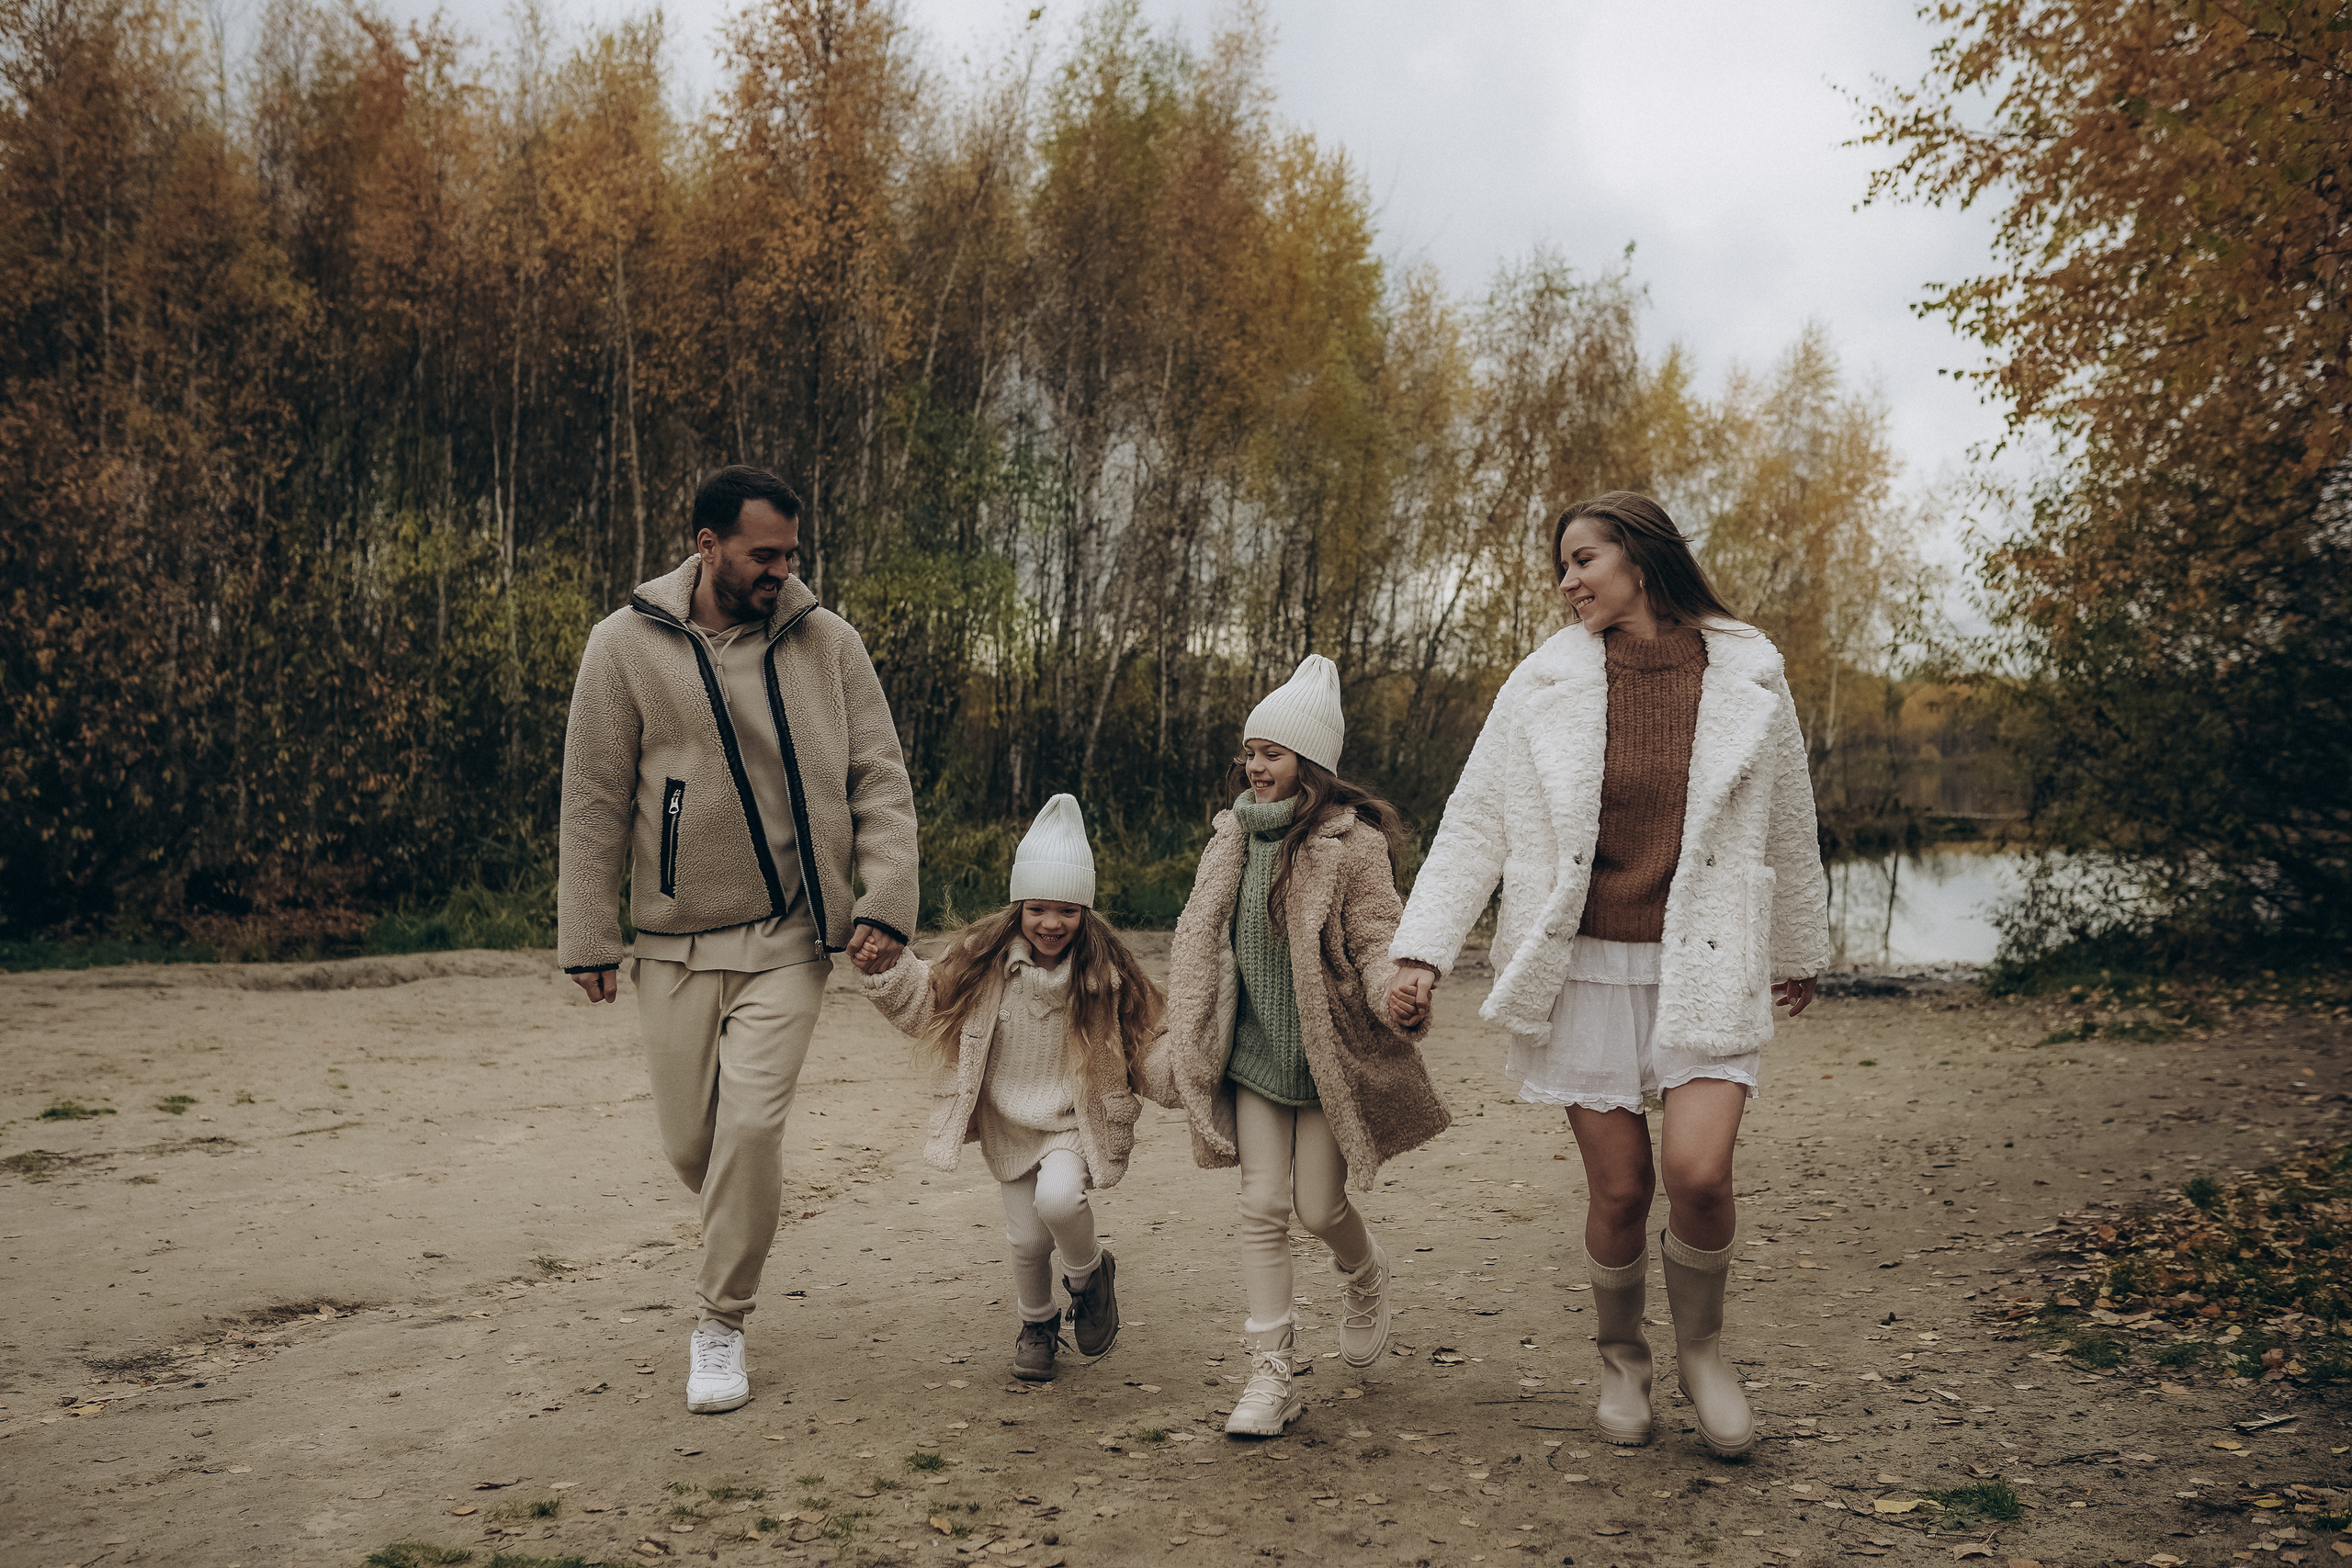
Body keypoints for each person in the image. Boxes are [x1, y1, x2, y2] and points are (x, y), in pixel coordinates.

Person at [1386, 491, 1828, 1459]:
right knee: (1623, 1191)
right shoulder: (1542, 682)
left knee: (1698, 1173)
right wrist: (1418, 953)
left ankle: (1704, 1358)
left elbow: (1788, 817)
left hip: (1706, 956)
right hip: (1583, 964)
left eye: (1583, 558)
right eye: (1562, 564)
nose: (1568, 580)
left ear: (1640, 557)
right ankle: (1622, 1357)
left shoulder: (1747, 670)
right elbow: (1476, 824)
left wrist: (1797, 946)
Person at [557, 465, 920, 1415]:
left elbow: (878, 778)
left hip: (792, 936)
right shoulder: (623, 647)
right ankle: (740, 1217)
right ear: (706, 544)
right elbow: (593, 798)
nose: (781, 571)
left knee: (752, 1128)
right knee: (696, 1150)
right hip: (673, 940)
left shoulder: (827, 644)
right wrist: (589, 932)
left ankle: (720, 1320)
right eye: (764, 554)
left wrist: (884, 899)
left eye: (791, 554)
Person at [1145, 655, 1452, 1439]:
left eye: (1271, 753)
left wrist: (1396, 988)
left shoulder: (1354, 845)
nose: (1254, 766)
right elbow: (1198, 941)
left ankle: (1364, 1271)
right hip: (1250, 1055)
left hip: (1324, 1059)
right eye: (1249, 751)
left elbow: (1378, 934)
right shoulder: (1231, 837)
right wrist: (1183, 1032)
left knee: (1318, 1206)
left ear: (1309, 764)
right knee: (1261, 1204)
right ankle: (1270, 1371)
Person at [861, 795, 1166, 1382]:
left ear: (1086, 912)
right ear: (1018, 906)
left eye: (1067, 911)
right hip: (1008, 1126)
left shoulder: (1108, 975)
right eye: (1038, 909)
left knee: (1059, 1201)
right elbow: (926, 1004)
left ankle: (1089, 1277)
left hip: (1072, 1122)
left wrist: (1191, 1072)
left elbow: (1152, 1040)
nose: (1052, 924)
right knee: (1027, 1240)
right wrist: (886, 972)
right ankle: (1038, 1323)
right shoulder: (982, 962)